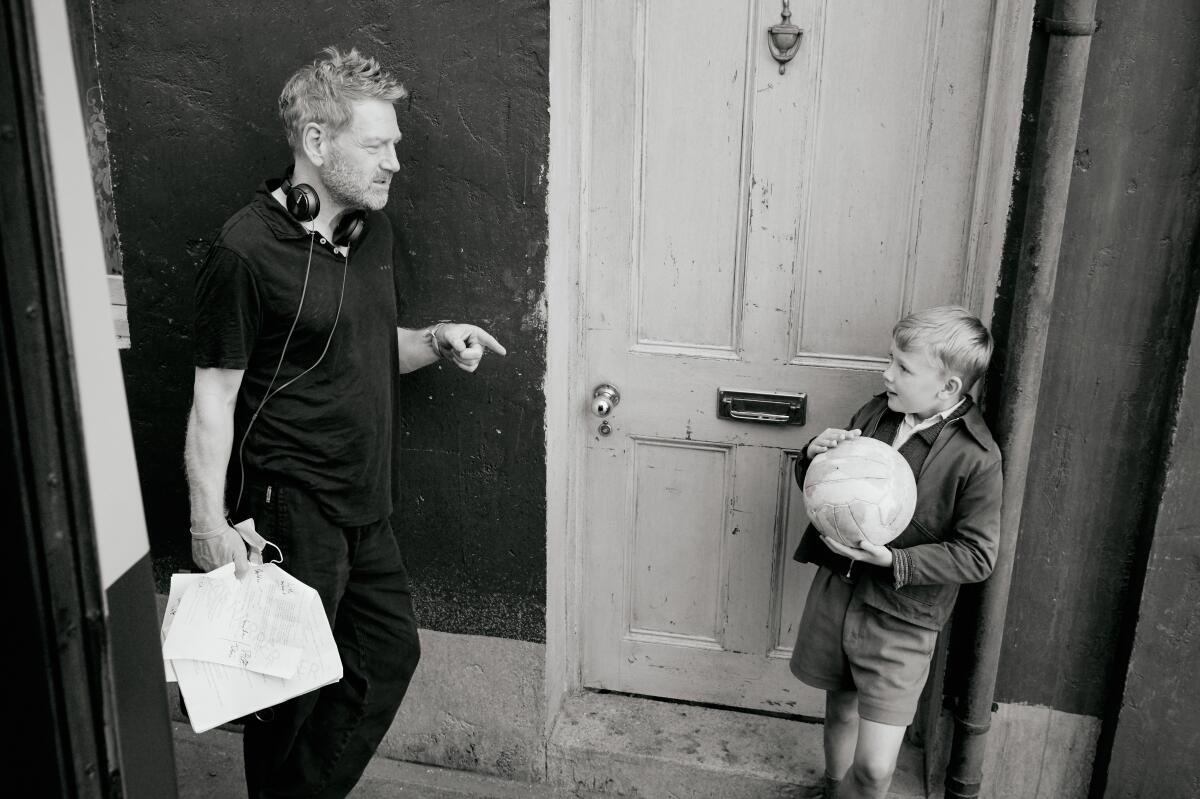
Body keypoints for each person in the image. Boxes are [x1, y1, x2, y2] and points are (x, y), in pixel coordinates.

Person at [184, 47, 505, 798]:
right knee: (283, 697)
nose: (395, 161)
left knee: (386, 656)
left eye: (396, 144)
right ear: (317, 144)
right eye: (378, 144)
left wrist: (435, 339)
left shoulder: (370, 235)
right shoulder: (244, 251)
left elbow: (360, 347)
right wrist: (207, 522)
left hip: (368, 506)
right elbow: (212, 398)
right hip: (290, 511)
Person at [789, 306, 1002, 799]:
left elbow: (977, 556)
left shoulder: (977, 456)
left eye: (903, 368)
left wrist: (896, 562)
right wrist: (814, 457)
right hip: (838, 592)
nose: (887, 373)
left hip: (903, 619)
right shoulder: (875, 413)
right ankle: (830, 791)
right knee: (839, 710)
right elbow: (828, 494)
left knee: (876, 769)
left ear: (948, 387)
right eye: (891, 360)